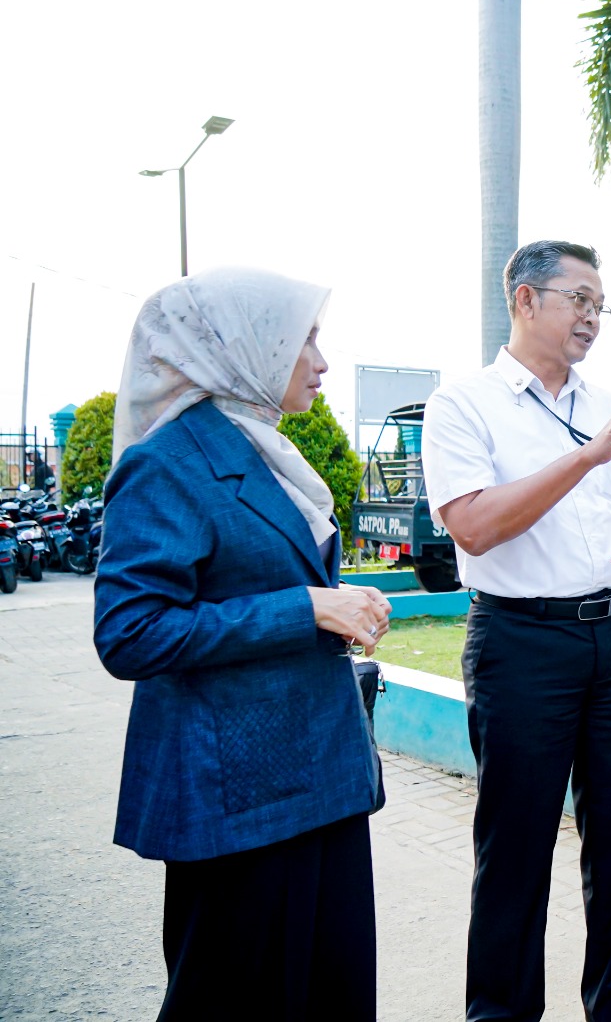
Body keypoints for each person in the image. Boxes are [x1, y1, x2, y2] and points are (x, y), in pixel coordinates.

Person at [94, 268, 391, 1020]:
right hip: (240, 798)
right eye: (306, 340)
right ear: (243, 346)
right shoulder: (167, 461)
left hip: (318, 778)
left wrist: (341, 604)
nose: (321, 362)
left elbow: (259, 573)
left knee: (331, 989)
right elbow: (129, 632)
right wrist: (307, 608)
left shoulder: (264, 448)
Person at [421, 240, 611, 1022]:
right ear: (526, 300)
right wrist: (592, 453)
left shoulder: (603, 403)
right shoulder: (463, 405)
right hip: (522, 643)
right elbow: (474, 527)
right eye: (581, 300)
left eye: (602, 306)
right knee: (516, 848)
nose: (593, 319)